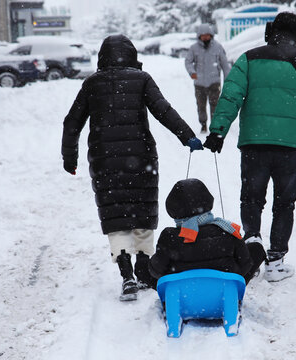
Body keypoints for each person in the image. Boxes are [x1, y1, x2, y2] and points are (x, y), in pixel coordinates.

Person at [203, 13, 296, 282]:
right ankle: (276, 261)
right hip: (290, 148)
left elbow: (231, 94)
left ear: (270, 31)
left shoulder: (250, 59)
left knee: (251, 198)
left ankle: (252, 242)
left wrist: (218, 131)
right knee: (284, 204)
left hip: (255, 144)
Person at [61, 35, 203, 301]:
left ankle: (127, 276)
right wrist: (187, 136)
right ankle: (143, 268)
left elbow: (72, 122)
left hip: (104, 161)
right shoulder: (142, 79)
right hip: (141, 158)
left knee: (115, 217)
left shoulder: (92, 84)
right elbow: (163, 110)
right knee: (142, 210)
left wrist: (70, 158)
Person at [148, 178, 266, 284]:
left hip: (181, 300)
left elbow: (156, 271)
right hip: (224, 296)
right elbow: (245, 266)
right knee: (256, 249)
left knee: (148, 265)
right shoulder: (227, 230)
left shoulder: (170, 237)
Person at [185, 24, 231, 134]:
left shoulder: (218, 47)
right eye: (203, 36)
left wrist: (227, 80)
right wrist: (192, 72)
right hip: (199, 83)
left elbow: (225, 65)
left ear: (211, 36)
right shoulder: (194, 48)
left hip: (214, 82)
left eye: (207, 35)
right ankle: (203, 124)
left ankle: (214, 126)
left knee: (215, 105)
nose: (205, 38)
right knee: (201, 106)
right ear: (199, 36)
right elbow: (188, 62)